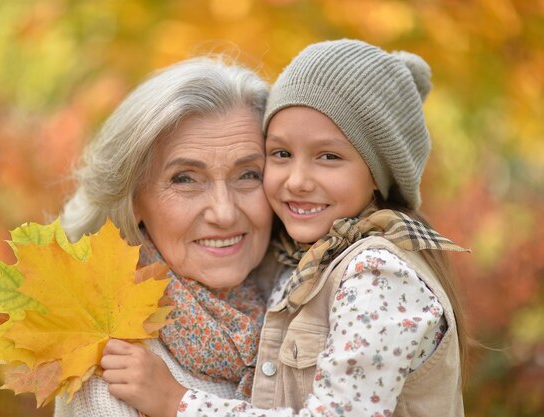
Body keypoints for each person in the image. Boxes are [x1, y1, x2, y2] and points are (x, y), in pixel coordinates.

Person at [105, 39, 470, 417]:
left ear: (378, 174)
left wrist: (176, 403)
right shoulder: (303, 258)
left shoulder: (378, 273)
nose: (296, 180)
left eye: (328, 156)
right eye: (281, 153)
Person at [53, 56, 274, 417]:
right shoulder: (110, 362)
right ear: (133, 202)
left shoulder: (325, 307)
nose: (224, 212)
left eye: (248, 174)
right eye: (185, 179)